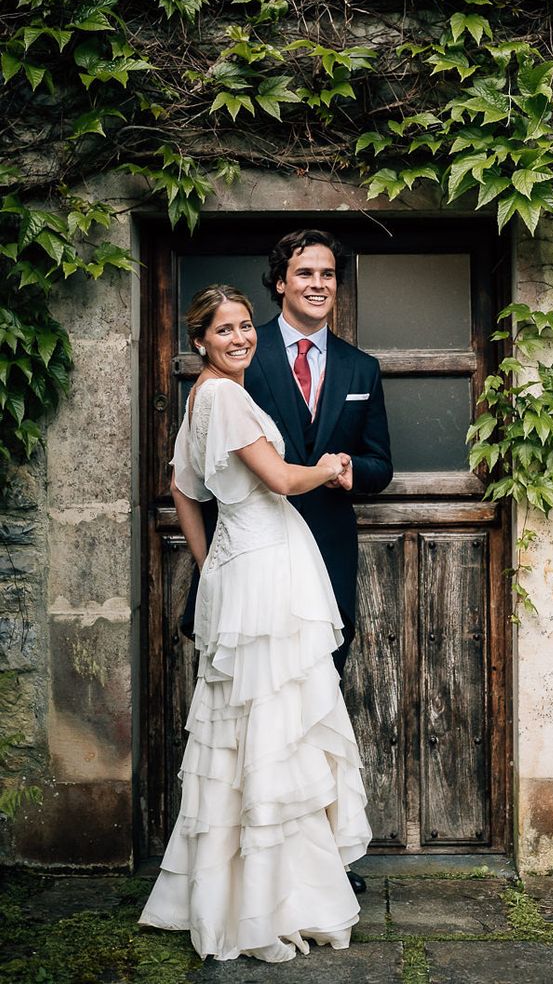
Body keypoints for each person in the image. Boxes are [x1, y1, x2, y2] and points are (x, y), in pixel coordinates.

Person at [139, 285, 372, 963]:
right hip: (266, 570)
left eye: (245, 327)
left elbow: (183, 487)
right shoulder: (223, 397)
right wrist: (327, 466)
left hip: (246, 564)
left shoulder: (200, 399)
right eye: (224, 330)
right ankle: (273, 899)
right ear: (200, 341)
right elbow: (277, 480)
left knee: (250, 726)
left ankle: (252, 889)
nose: (240, 338)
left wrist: (212, 558)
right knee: (275, 722)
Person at [179, 228, 393, 894]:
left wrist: (351, 469)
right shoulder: (241, 359)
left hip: (323, 559)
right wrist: (215, 562)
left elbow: (381, 464)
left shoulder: (361, 369)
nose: (317, 285)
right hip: (256, 572)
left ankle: (318, 858)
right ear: (281, 281)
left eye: (327, 274)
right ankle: (269, 867)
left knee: (312, 714)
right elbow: (203, 476)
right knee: (259, 719)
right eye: (304, 273)